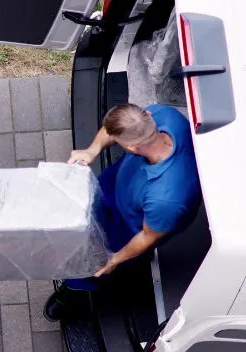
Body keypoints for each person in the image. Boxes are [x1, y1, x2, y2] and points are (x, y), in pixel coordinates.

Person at [44, 102, 201, 321]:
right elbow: (112, 129)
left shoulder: (167, 198)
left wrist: (114, 260)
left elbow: (147, 236)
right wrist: (93, 150)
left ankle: (76, 290)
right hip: (116, 186)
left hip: (127, 227)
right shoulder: (164, 115)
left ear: (131, 149)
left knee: (92, 261)